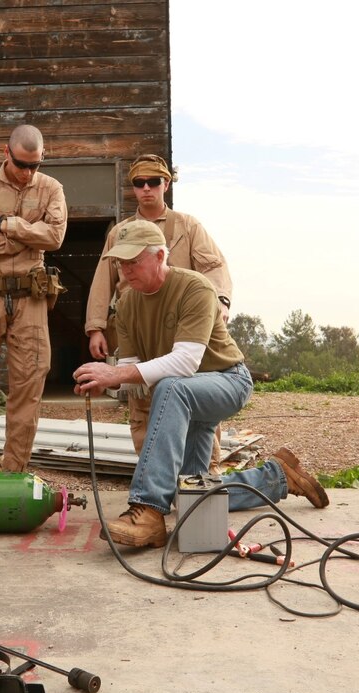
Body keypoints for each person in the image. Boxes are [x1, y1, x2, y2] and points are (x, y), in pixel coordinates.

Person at [73, 220, 328, 548]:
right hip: (185, 395)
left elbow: (185, 363)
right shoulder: (126, 305)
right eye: (120, 263)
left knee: (171, 386)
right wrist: (106, 384)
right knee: (193, 495)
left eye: (134, 261)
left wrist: (117, 375)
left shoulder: (195, 288)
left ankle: (148, 509)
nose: (126, 270)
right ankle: (278, 476)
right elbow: (132, 373)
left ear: (161, 256)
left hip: (227, 381)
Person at [85, 154, 233, 464]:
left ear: (166, 184)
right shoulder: (121, 232)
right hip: (138, 326)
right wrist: (96, 327)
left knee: (194, 398)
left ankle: (205, 476)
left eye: (154, 182)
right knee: (143, 403)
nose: (147, 189)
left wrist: (219, 300)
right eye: (140, 183)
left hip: (185, 327)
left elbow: (215, 265)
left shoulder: (187, 226)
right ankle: (152, 472)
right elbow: (103, 279)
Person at [0, 124, 67, 472]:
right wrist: (28, 238)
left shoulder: (52, 188)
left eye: (35, 165)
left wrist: (11, 226)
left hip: (30, 301)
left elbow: (56, 237)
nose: (27, 172)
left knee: (28, 385)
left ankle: (13, 469)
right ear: (7, 153)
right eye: (21, 164)